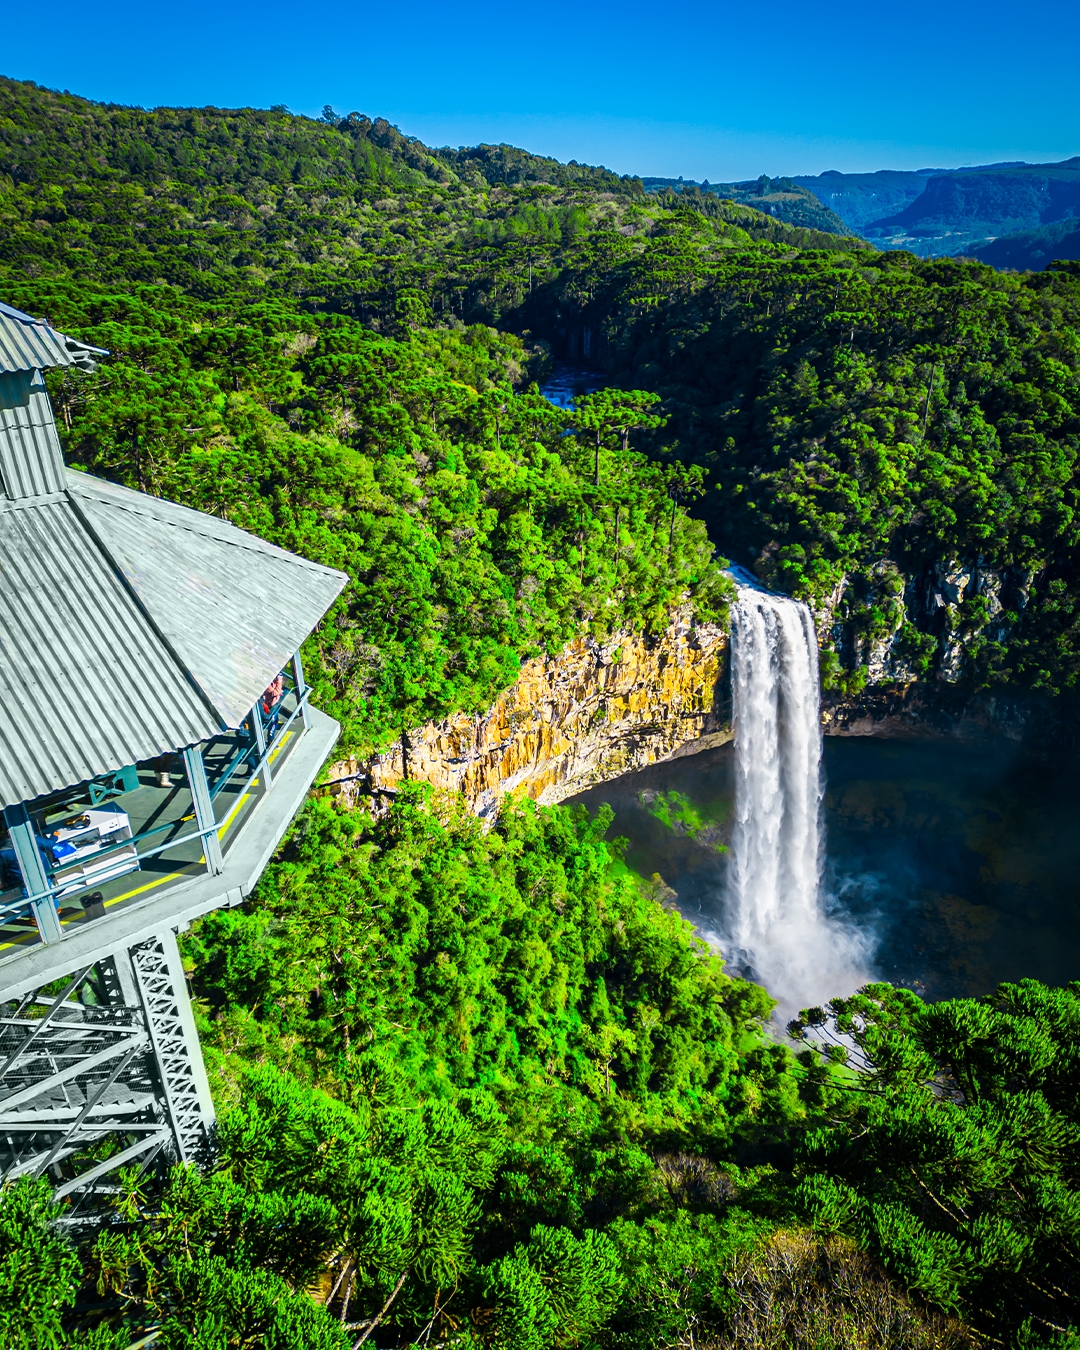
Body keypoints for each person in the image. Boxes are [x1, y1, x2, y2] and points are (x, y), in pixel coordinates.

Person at [260, 672, 285, 738]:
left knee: (274, 721)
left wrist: (278, 688)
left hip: (274, 704)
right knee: (269, 720)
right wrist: (279, 683)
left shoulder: (274, 682)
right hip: (266, 705)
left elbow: (277, 691)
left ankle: (271, 738)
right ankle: (266, 739)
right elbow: (275, 692)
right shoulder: (266, 682)